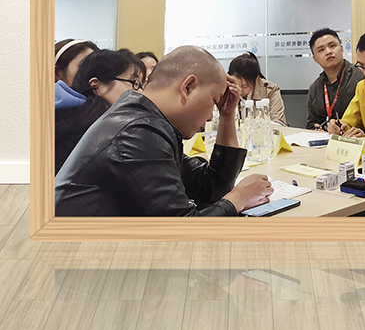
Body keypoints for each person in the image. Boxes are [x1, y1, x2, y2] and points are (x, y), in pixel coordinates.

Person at [55, 45, 273, 217]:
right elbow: (179, 233)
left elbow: (211, 187)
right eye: (214, 102)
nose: (209, 117)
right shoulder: (136, 133)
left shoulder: (146, 120)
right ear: (187, 87)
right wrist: (238, 199)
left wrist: (227, 115)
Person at [55, 48, 147, 174]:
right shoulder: (95, 129)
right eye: (134, 83)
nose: (140, 92)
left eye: (141, 85)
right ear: (97, 85)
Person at [305, 28, 363, 130]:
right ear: (315, 59)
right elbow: (311, 125)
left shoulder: (360, 78)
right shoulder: (315, 88)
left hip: (354, 136)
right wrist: (317, 130)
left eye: (332, 46)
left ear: (341, 48)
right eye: (321, 50)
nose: (328, 52)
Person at [227, 52, 287, 126]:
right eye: (236, 85)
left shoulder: (270, 91)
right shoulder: (228, 89)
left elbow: (279, 123)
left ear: (256, 79)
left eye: (244, 86)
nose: (240, 90)